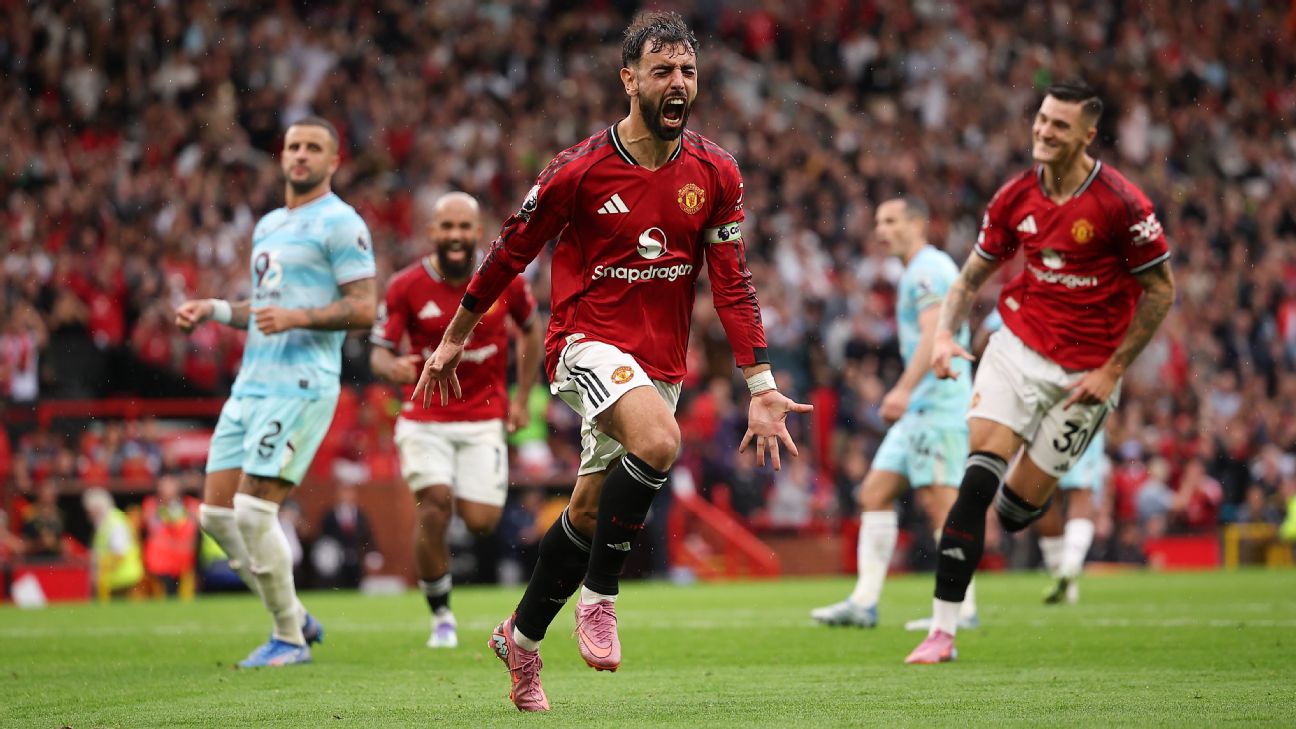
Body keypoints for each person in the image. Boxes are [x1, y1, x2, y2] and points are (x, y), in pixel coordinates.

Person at [413, 11, 811, 712]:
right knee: (659, 441)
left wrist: (762, 383)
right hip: (583, 342)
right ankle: (599, 597)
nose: (678, 82)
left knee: (591, 511)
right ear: (629, 80)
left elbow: (733, 283)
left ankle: (520, 638)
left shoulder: (716, 171)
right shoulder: (579, 170)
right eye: (662, 71)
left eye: (687, 70)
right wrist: (455, 334)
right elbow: (509, 251)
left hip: (659, 364)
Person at [907, 81, 1175, 664]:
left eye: (1059, 125)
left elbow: (1161, 290)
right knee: (977, 478)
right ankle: (943, 631)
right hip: (1019, 347)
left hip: (1087, 373)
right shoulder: (1014, 197)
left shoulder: (1121, 204)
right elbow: (970, 279)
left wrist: (1113, 371)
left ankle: (1030, 509)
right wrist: (946, 336)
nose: (1044, 131)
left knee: (1016, 512)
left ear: (1087, 135)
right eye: (1042, 119)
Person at [175, 115, 376, 668]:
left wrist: (299, 317)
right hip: (251, 384)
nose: (301, 155)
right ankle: (294, 614)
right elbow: (265, 309)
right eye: (293, 146)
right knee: (215, 517)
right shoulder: (268, 225)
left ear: (333, 160)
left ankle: (288, 637)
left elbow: (365, 308)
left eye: (313, 147)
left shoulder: (342, 223)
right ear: (282, 156)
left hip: (300, 384)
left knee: (252, 511)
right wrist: (215, 309)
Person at [370, 191, 541, 649]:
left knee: (482, 520)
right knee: (435, 503)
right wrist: (392, 367)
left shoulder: (505, 280)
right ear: (432, 231)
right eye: (447, 226)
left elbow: (531, 330)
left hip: (484, 417)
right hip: (424, 416)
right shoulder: (405, 285)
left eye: (464, 226)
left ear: (478, 232)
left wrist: (523, 399)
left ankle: (449, 569)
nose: (456, 235)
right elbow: (378, 352)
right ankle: (441, 616)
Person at [810, 197, 979, 630]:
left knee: (941, 504)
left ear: (918, 224)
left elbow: (934, 334)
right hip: (922, 405)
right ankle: (864, 603)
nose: (881, 230)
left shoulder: (927, 270)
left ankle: (963, 608)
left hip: (937, 403)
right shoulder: (921, 270)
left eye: (891, 221)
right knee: (874, 493)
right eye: (878, 222)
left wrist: (902, 389)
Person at [1036, 431, 1108, 605]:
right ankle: (1069, 567)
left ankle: (1061, 575)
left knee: (1045, 497)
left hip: (1043, 427)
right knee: (1081, 494)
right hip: (1082, 423)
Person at [141, 472, 201, 597]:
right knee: (164, 596)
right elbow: (151, 526)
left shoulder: (191, 505)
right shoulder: (152, 505)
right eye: (164, 484)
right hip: (160, 563)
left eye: (170, 484)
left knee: (185, 596)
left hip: (184, 561)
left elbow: (192, 529)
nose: (166, 488)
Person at [82, 487, 144, 598]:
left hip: (124, 577)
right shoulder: (105, 523)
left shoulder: (115, 523)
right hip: (117, 578)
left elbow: (119, 553)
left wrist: (100, 570)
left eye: (89, 511)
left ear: (97, 508)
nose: (88, 515)